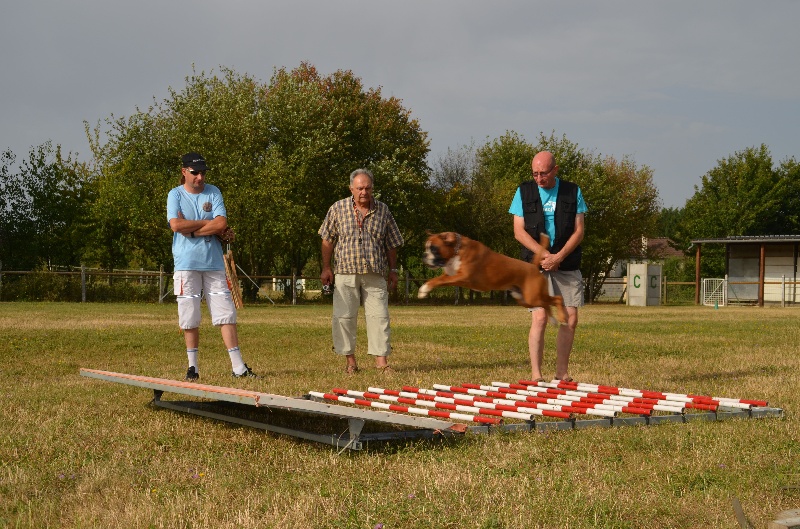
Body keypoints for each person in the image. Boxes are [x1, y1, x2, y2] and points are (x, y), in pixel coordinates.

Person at [166, 152, 256, 380]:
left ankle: (238, 367)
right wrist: (209, 224)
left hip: (214, 264)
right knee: (189, 315)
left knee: (226, 313)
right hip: (186, 264)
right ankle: (192, 368)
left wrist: (194, 230)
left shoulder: (214, 191)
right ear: (184, 172)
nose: (200, 177)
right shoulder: (174, 194)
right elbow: (176, 225)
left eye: (203, 173)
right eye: (195, 173)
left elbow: (222, 223)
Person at [508, 151, 587, 383]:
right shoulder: (524, 191)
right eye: (535, 173)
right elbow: (518, 232)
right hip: (535, 264)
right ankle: (536, 375)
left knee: (570, 318)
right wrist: (545, 255)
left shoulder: (573, 191)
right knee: (540, 317)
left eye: (543, 173)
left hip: (567, 262)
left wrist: (559, 256)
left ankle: (562, 374)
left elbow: (579, 230)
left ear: (555, 170)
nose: (539, 178)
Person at [318, 168, 403, 375]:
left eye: (367, 188)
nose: (364, 192)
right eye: (359, 188)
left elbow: (392, 243)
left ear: (372, 189)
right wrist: (326, 267)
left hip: (375, 272)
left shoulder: (383, 210)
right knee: (344, 317)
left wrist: (393, 270)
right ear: (351, 189)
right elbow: (327, 240)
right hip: (345, 271)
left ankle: (382, 363)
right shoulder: (337, 208)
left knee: (379, 316)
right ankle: (350, 362)